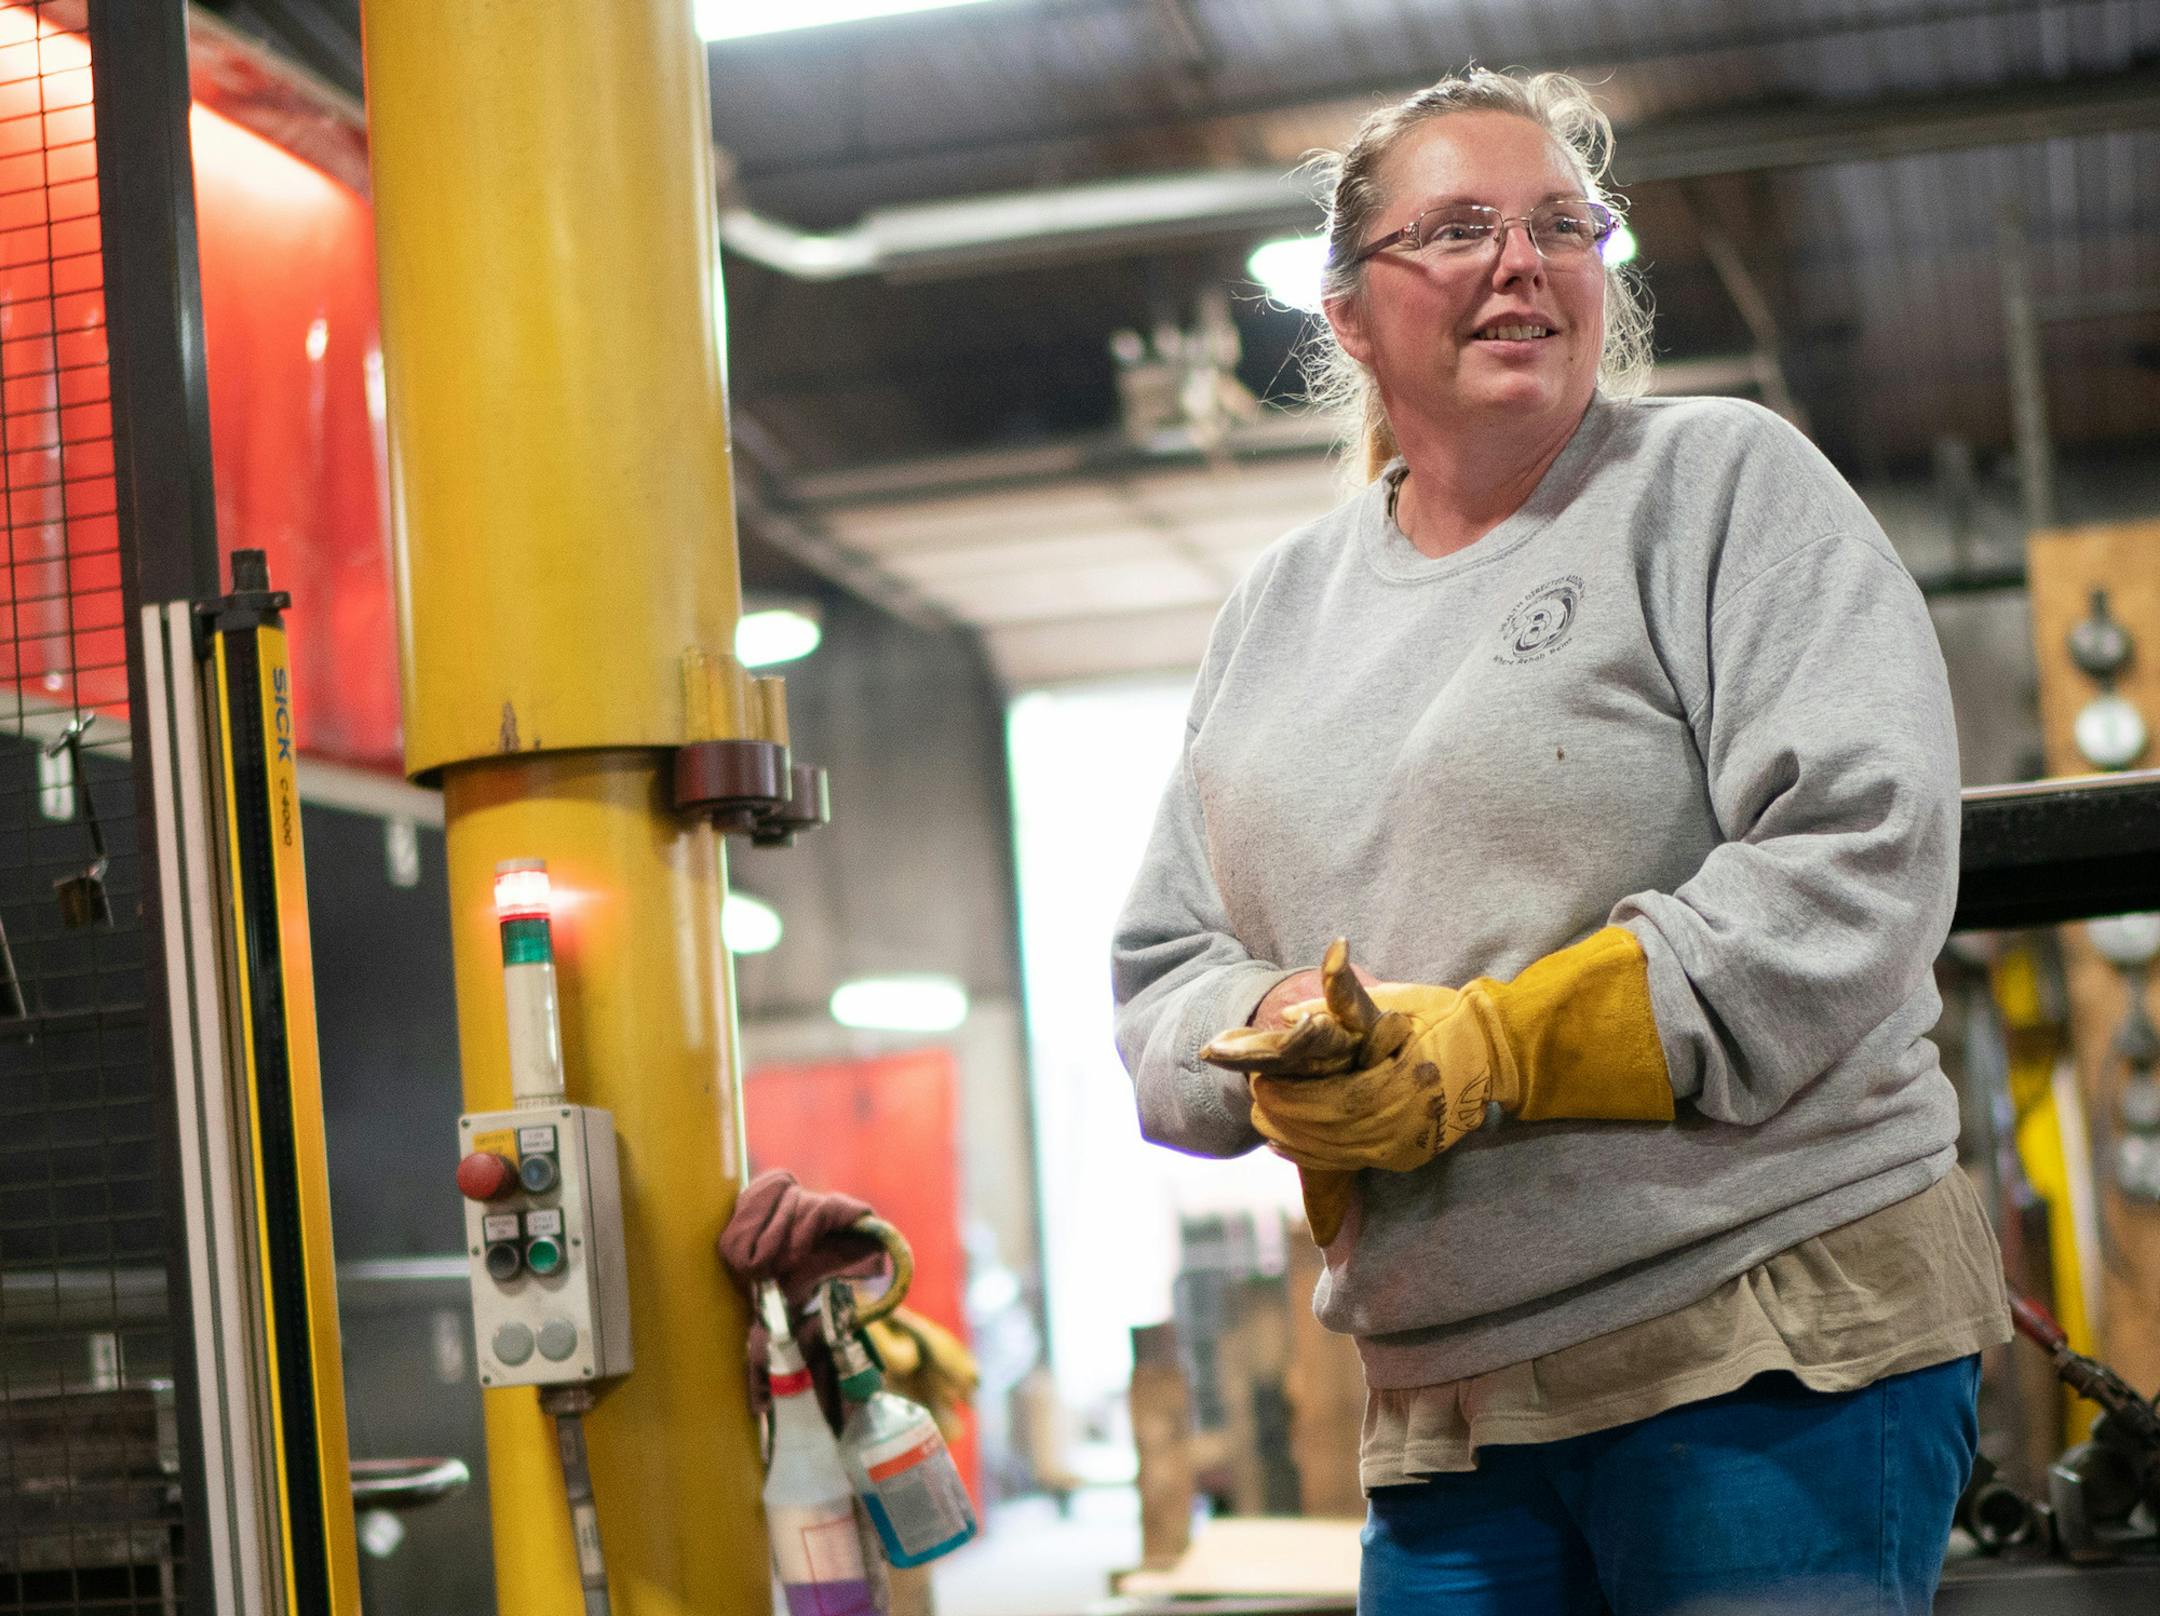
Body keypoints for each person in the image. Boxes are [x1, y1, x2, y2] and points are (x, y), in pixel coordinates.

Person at [1110, 67, 2011, 1615]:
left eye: (1561, 226)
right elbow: (1163, 973)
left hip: (1763, 1343)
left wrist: (1505, 1045)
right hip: (1447, 1408)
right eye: (1459, 228)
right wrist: (1282, 1037)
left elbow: (1858, 851)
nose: (1522, 262)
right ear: (1346, 315)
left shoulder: (1719, 486)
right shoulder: (1277, 612)